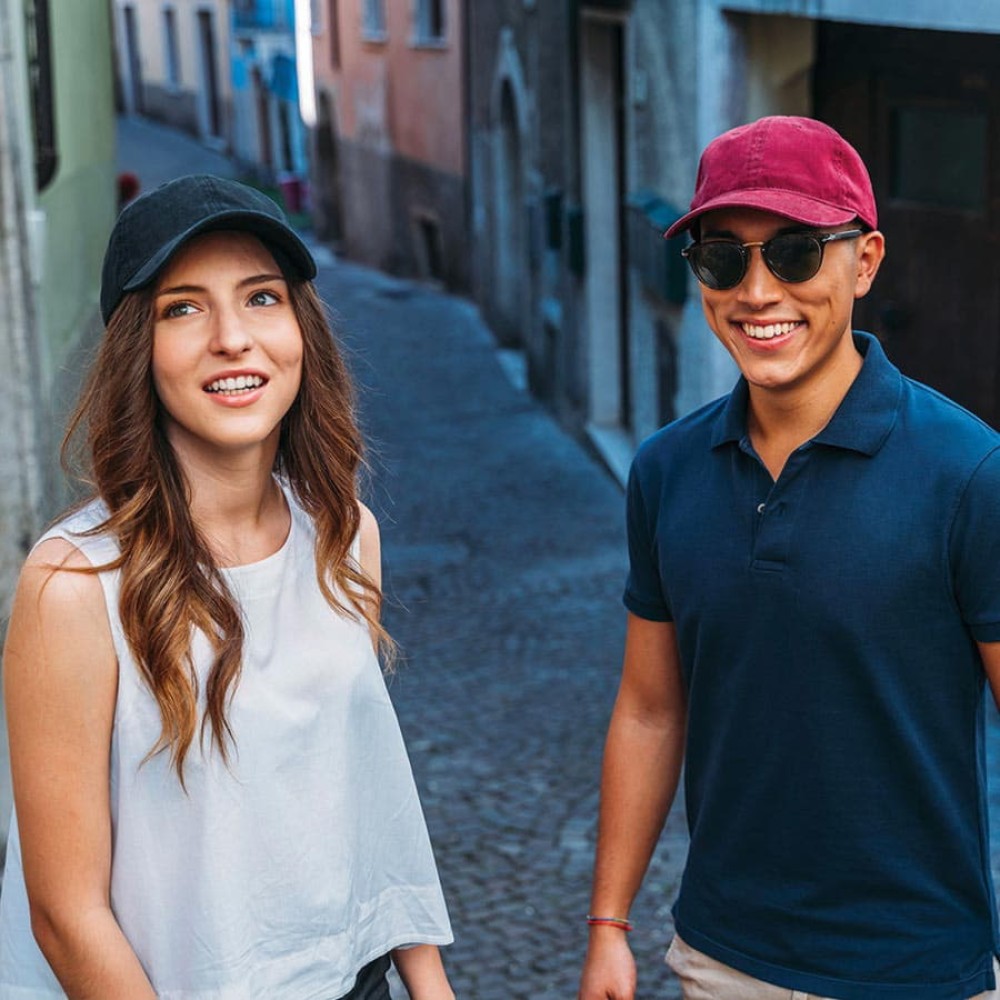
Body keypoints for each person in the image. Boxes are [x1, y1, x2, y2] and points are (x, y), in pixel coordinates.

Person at [0, 175, 454, 1000]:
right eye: (183, 308)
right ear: (138, 351)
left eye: (261, 297)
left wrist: (429, 981)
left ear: (301, 328)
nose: (232, 338)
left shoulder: (345, 536)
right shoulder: (74, 585)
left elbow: (359, 781)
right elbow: (66, 915)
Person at [578, 115, 1000, 1000]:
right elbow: (651, 709)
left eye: (797, 252)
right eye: (722, 259)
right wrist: (609, 924)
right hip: (721, 960)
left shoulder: (969, 473)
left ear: (865, 261)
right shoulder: (665, 470)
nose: (758, 291)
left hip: (916, 970)